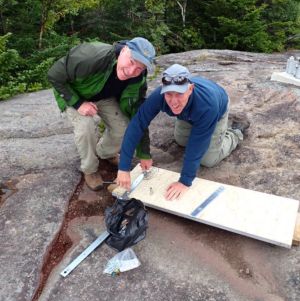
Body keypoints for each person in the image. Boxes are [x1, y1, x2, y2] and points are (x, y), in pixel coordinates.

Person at [116, 63, 249, 200]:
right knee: (181, 140)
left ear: (190, 89)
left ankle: (235, 132)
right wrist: (124, 167)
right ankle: (195, 120)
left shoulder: (207, 106)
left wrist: (185, 181)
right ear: (163, 90)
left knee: (208, 159)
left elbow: (196, 146)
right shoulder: (160, 96)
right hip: (188, 114)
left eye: (179, 94)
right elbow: (137, 124)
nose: (173, 101)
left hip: (215, 110)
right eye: (169, 94)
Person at [48, 37, 155, 190]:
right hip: (76, 93)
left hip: (103, 97)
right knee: (86, 128)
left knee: (122, 127)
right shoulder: (91, 56)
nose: (132, 71)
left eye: (139, 68)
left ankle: (105, 153)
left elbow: (137, 115)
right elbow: (54, 75)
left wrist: (144, 153)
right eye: (131, 62)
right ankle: (90, 170)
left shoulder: (137, 79)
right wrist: (78, 103)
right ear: (124, 50)